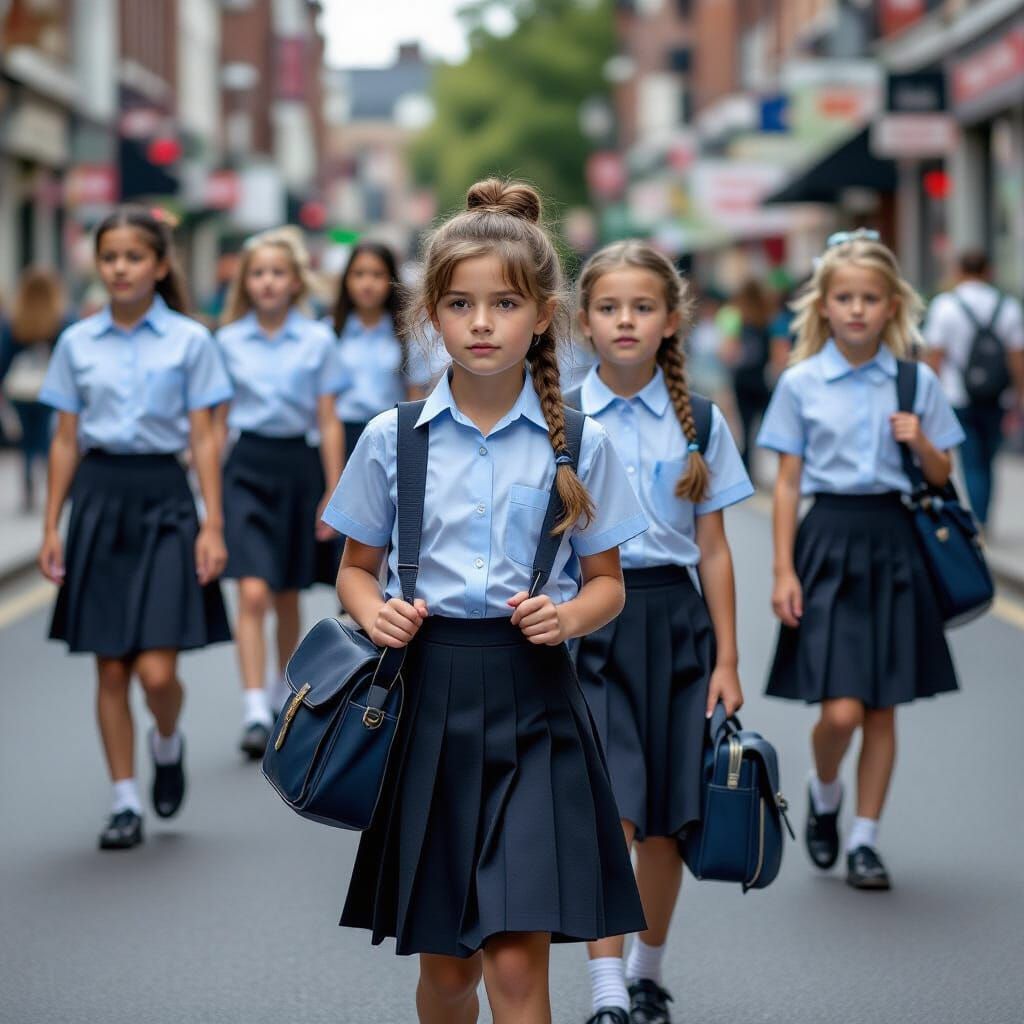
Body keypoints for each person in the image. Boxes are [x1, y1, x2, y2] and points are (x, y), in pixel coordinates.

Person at [321, 179, 647, 1024]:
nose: (481, 323)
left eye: (504, 303)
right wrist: (373, 610)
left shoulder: (584, 443)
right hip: (425, 701)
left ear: (543, 316)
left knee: (515, 968)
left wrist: (568, 617)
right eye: (460, 303)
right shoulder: (391, 438)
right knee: (448, 976)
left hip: (536, 703)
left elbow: (608, 584)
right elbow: (355, 569)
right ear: (431, 314)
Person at [572, 242, 751, 1024]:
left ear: (671, 321)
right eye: (609, 307)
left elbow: (714, 550)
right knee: (611, 809)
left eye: (643, 307)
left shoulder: (700, 420)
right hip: (588, 625)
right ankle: (607, 988)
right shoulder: (558, 417)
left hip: (676, 627)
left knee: (668, 824)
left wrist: (728, 660)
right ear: (584, 321)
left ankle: (647, 972)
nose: (626, 321)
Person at [757, 230, 965, 891]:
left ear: (891, 306)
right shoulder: (800, 382)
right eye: (844, 297)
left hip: (895, 540)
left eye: (870, 298)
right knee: (840, 710)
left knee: (882, 707)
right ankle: (825, 794)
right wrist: (783, 570)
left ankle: (865, 841)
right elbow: (787, 483)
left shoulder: (914, 380)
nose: (856, 309)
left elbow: (943, 472)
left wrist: (921, 441)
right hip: (828, 539)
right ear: (824, 305)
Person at [37, 206, 233, 850]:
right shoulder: (76, 342)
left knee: (155, 672)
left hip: (166, 499)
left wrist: (212, 524)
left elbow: (204, 438)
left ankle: (167, 741)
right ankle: (124, 800)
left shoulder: (190, 340)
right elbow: (63, 440)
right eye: (109, 257)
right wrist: (51, 526)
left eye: (133, 257)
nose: (120, 268)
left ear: (160, 264)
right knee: (112, 668)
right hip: (98, 497)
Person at [215, 228, 346, 757]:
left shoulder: (317, 340)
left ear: (295, 281)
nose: (267, 282)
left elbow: (329, 420)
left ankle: (277, 694)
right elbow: (216, 423)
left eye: (277, 273)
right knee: (252, 590)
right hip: (245, 466)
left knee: (288, 590)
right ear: (246, 282)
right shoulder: (227, 341)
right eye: (258, 273)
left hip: (298, 466)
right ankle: (253, 709)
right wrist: (209, 499)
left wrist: (333, 490)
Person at [923, 248, 1024, 528]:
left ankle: (979, 518)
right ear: (989, 271)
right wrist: (1019, 394)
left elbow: (935, 356)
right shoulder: (1007, 306)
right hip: (997, 395)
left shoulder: (945, 305)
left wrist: (928, 397)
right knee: (989, 458)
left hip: (957, 394)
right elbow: (1017, 356)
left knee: (971, 459)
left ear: (958, 271)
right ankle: (984, 514)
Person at [0, 268, 67, 511]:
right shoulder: (59, 319)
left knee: (27, 439)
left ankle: (29, 482)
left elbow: (4, 358)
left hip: (20, 391)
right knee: (45, 437)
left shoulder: (16, 321)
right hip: (47, 388)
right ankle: (51, 484)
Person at [722, 279, 774, 479]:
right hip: (761, 380)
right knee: (765, 426)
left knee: (745, 428)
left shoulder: (738, 320)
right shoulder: (766, 319)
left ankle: (747, 470)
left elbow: (729, 352)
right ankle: (763, 466)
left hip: (742, 381)